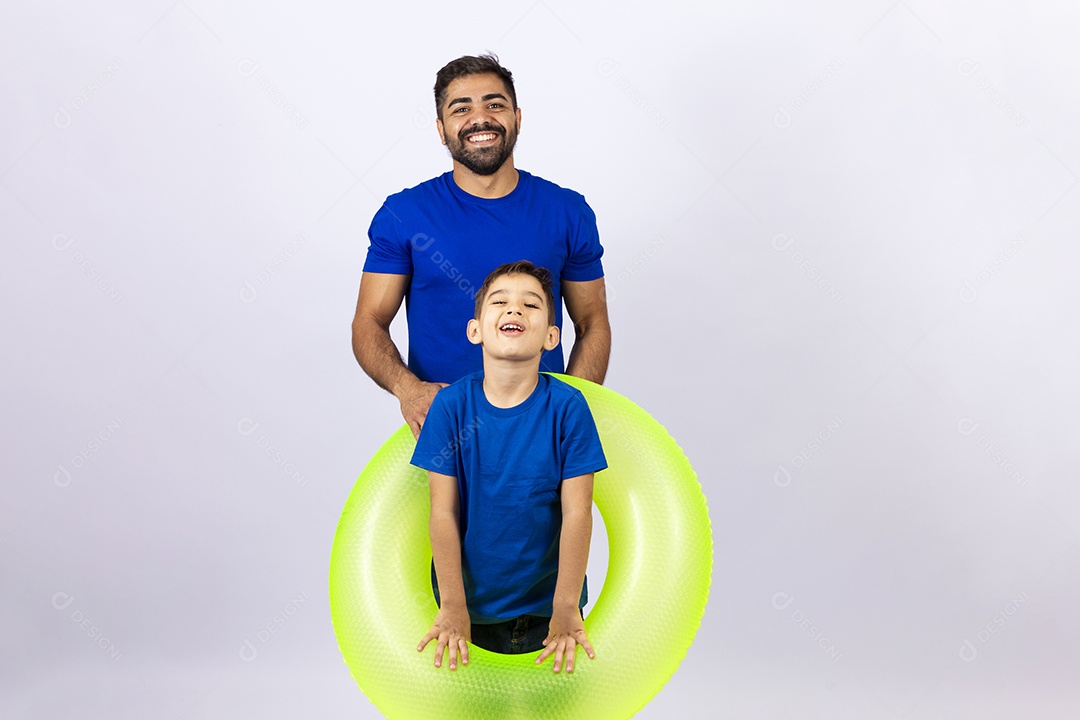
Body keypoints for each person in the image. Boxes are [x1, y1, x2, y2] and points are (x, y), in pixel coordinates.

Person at [352, 54, 611, 438]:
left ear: (517, 118)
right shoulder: (404, 215)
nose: (480, 118)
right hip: (442, 432)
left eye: (494, 104)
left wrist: (568, 407)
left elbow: (593, 322)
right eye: (461, 108)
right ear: (441, 129)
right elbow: (368, 322)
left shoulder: (567, 211)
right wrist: (409, 391)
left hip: (539, 435)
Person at [411, 261, 607, 674]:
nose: (515, 310)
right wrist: (453, 605)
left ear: (552, 337)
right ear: (475, 330)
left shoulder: (568, 409)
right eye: (500, 302)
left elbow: (577, 512)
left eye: (531, 305)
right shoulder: (451, 408)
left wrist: (565, 606)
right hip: (469, 612)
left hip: (548, 614)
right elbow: (442, 511)